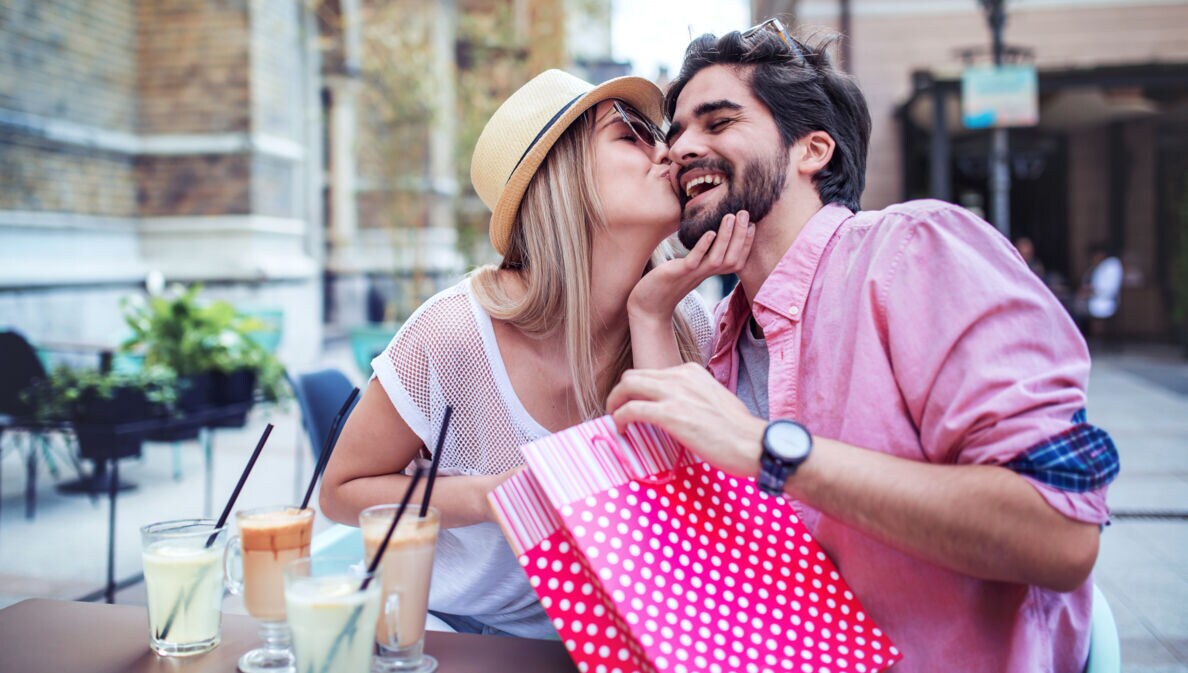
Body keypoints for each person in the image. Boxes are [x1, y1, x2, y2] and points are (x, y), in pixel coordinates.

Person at [607, 20, 1119, 672]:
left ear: (811, 150)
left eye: (717, 121)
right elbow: (690, 555)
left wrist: (770, 451)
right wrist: (648, 309)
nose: (680, 148)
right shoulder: (724, 339)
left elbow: (1058, 530)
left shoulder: (913, 250)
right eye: (676, 130)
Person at [319, 69, 753, 638]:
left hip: (609, 639)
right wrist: (487, 494)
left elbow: (688, 525)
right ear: (564, 180)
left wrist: (651, 319)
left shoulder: (684, 318)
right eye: (631, 135)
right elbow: (340, 493)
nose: (668, 151)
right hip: (451, 629)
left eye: (656, 133)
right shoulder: (452, 333)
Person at [1075, 242, 1124, 343]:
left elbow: (1105, 288)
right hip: (1091, 299)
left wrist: (1088, 292)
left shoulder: (1111, 266)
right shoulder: (1096, 268)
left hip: (1103, 300)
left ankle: (1094, 339)